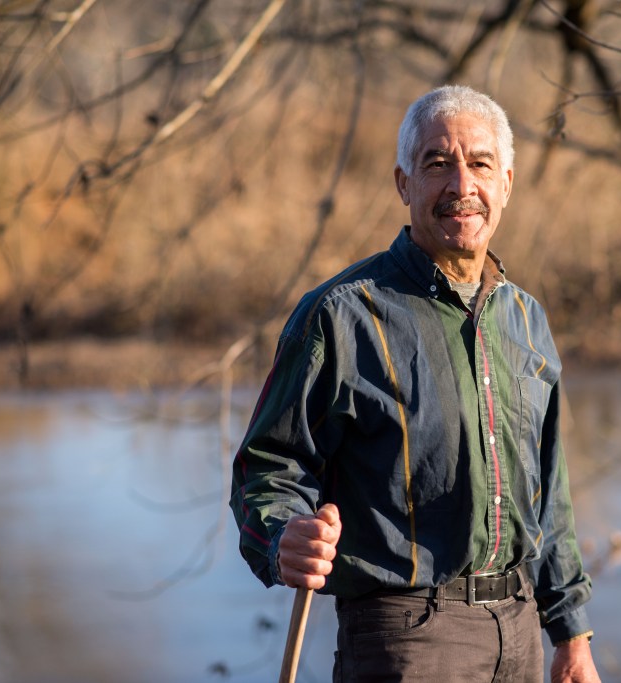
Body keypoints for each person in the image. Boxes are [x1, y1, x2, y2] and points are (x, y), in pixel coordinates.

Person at [230, 84, 600, 683]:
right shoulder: (340, 315)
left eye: (480, 164)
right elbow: (268, 466)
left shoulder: (526, 320)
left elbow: (548, 488)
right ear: (404, 184)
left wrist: (572, 633)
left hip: (521, 628)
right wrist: (282, 536)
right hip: (406, 640)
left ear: (506, 181)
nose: (461, 187)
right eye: (437, 164)